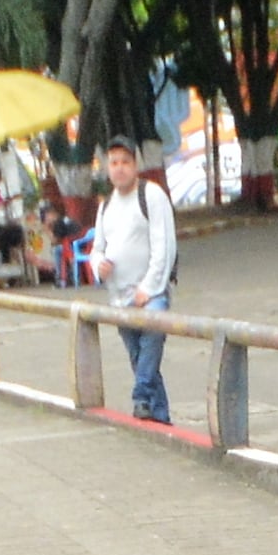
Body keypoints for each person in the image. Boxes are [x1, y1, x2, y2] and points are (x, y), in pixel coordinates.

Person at [88, 136, 177, 426]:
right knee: (140, 359)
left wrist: (149, 288)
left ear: (135, 165)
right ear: (106, 167)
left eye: (125, 162)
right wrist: (97, 265)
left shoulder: (151, 195)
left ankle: (140, 396)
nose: (120, 168)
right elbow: (98, 248)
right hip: (120, 298)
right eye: (114, 163)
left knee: (152, 332)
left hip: (150, 295)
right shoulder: (106, 207)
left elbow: (164, 246)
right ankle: (159, 417)